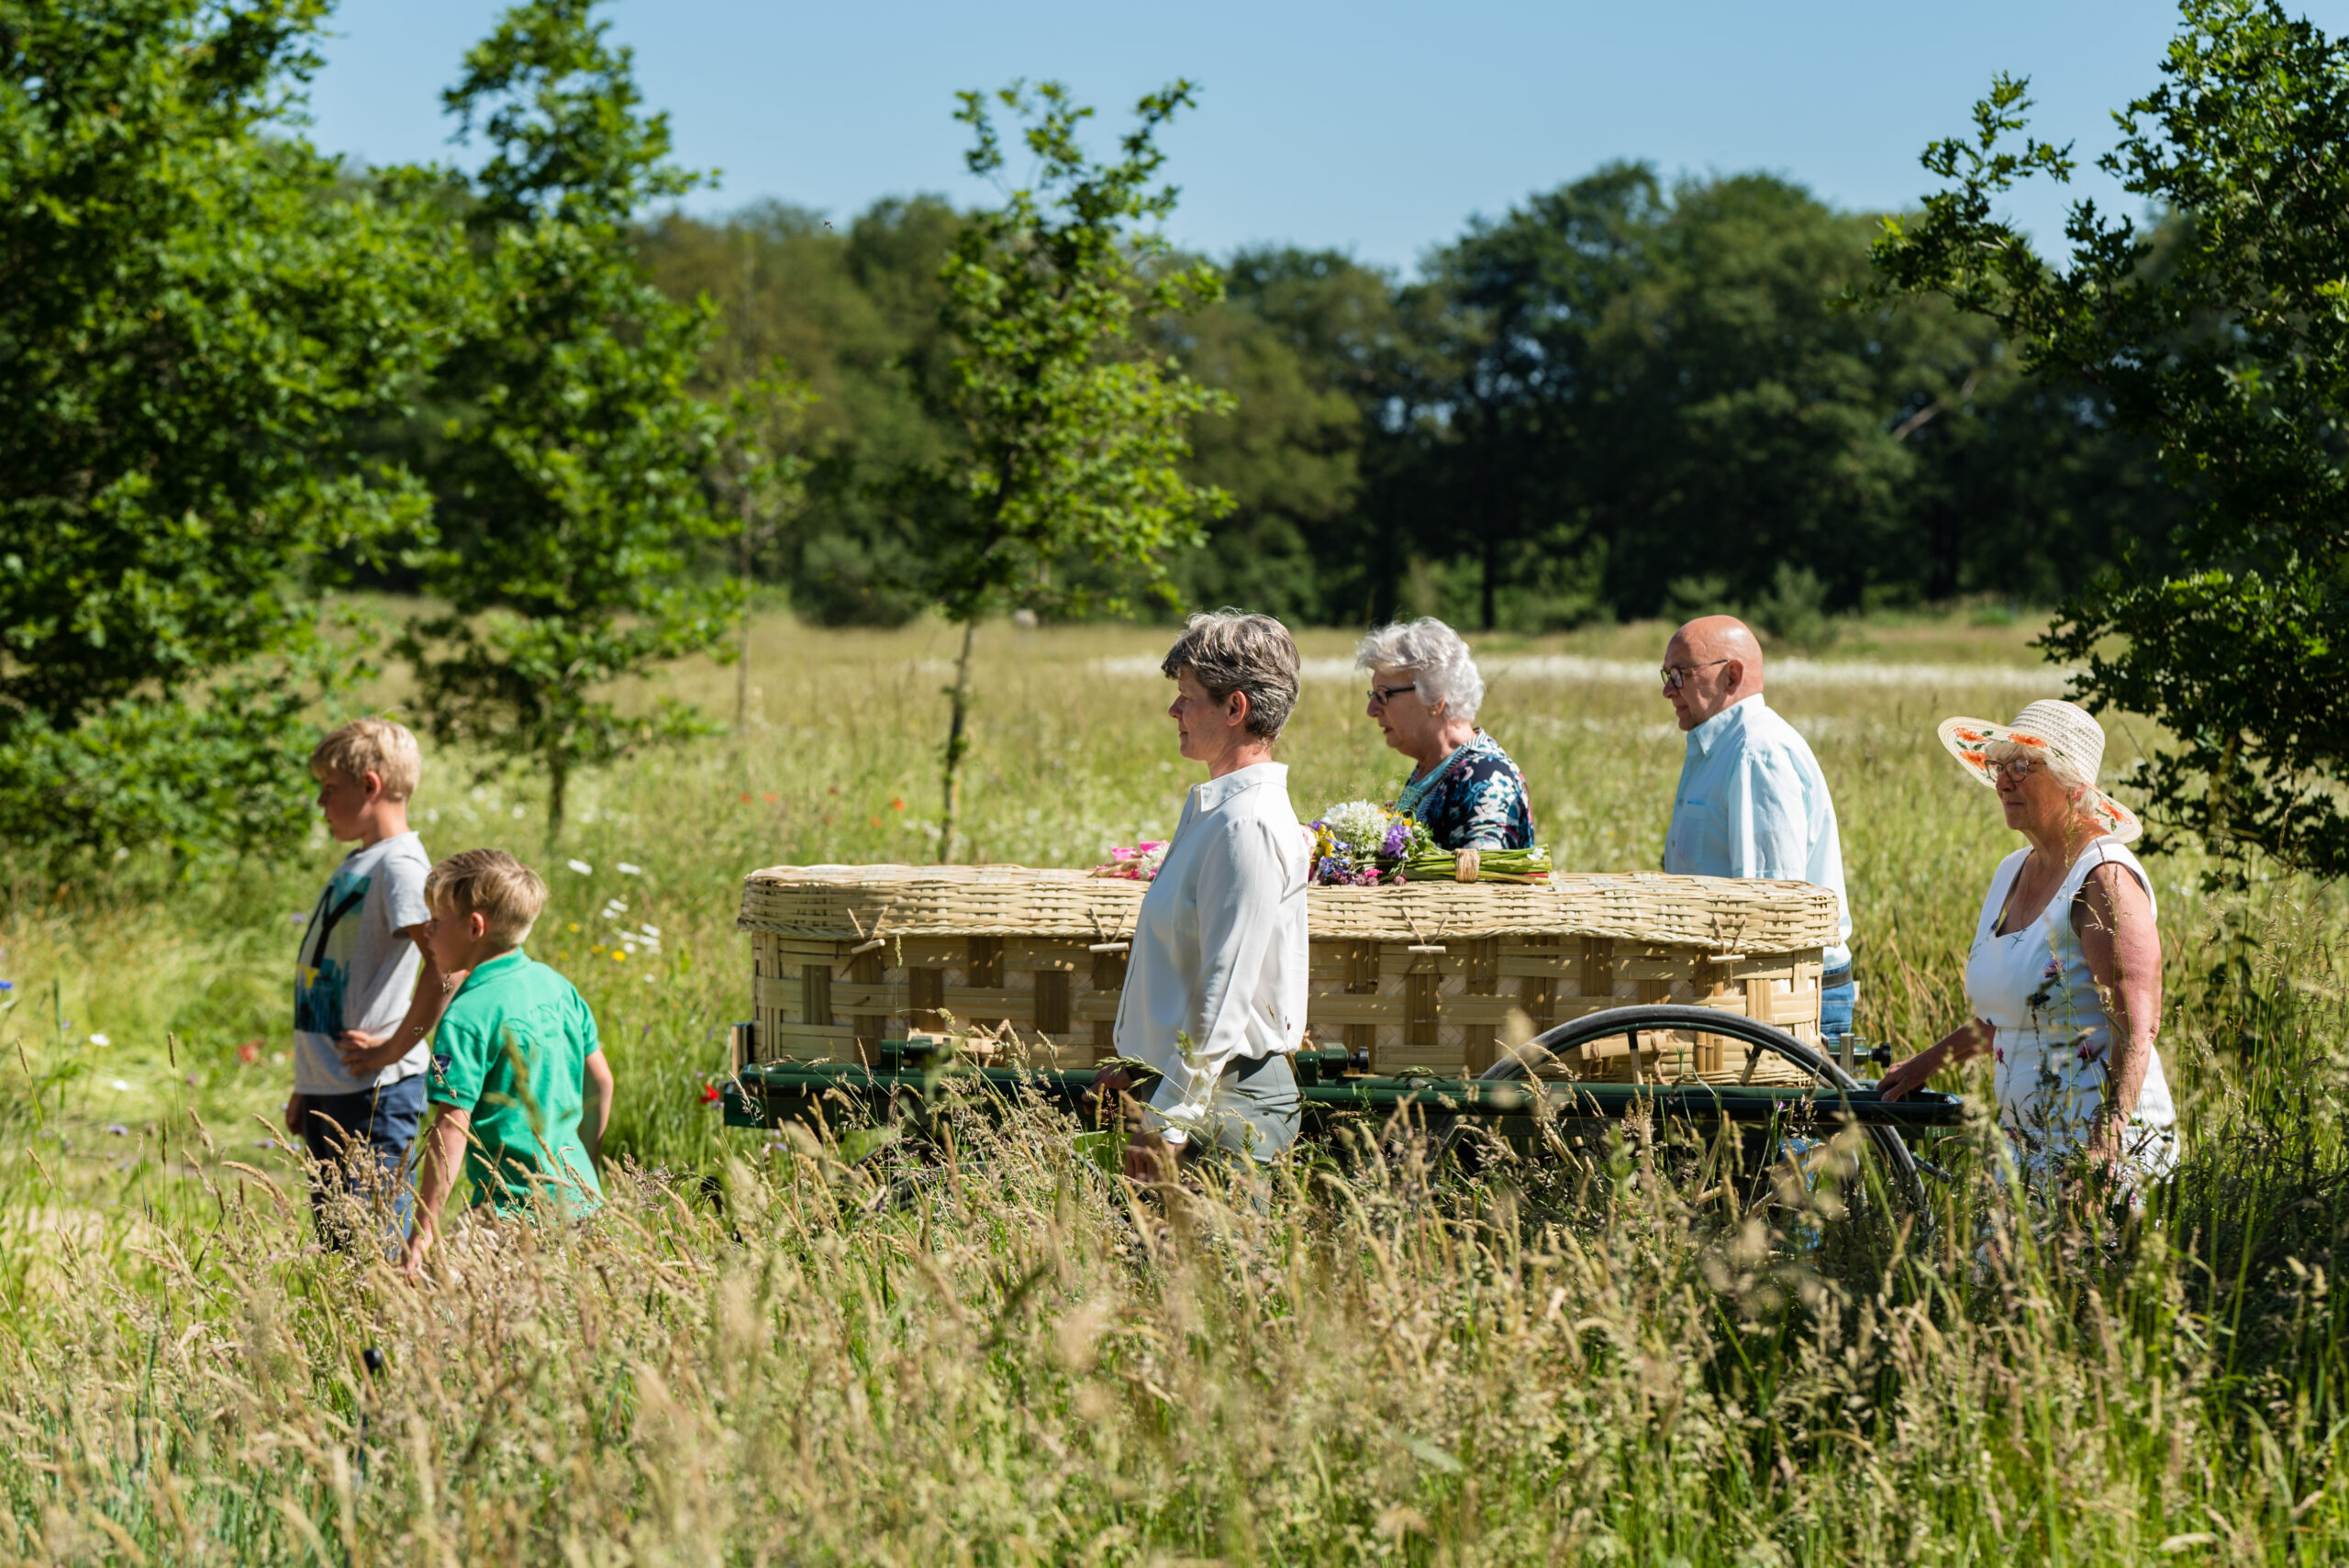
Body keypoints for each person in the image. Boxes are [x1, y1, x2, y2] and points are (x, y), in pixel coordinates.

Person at [1878, 701, 2176, 1185]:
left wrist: (2105, 1149)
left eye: (2021, 766)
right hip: (2024, 1145)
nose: (2002, 782)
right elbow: (2018, 1015)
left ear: (2073, 784)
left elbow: (2137, 1026)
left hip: (2098, 1151)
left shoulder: (2104, 876)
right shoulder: (2011, 871)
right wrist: (1925, 1064)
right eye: (1998, 766)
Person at [1105, 610, 1311, 1179]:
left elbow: (1225, 987)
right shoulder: (1221, 811)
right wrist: (1139, 1067)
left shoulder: (1247, 824)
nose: (1174, 710)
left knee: (1210, 1269)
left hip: (1226, 1102)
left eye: (1188, 696)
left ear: (1235, 708)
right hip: (1200, 1090)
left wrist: (1170, 1119)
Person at [404, 850, 613, 1280]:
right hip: (581, 1202)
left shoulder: (466, 1015)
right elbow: (601, 1082)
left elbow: (450, 1129)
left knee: (424, 1311)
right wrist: (582, 1168)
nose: (426, 932)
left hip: (511, 1213)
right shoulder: (557, 987)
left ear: (474, 927)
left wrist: (421, 1236)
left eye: (436, 921)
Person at [289, 717, 454, 1251]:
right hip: (334, 1086)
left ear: (370, 785)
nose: (320, 802)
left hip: (373, 1095)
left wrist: (396, 1046)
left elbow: (444, 966)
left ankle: (395, 1338)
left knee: (373, 1255)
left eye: (329, 789)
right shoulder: (363, 860)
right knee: (344, 1249)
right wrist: (308, 1082)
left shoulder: (400, 866)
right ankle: (360, 1339)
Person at [1659, 616, 1855, 1038]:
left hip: (1783, 995)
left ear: (1732, 675)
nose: (1667, 689)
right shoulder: (1721, 747)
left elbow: (1769, 910)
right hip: (1753, 988)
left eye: (1680, 674)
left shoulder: (1755, 752)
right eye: (1666, 675)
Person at [1355, 617, 1535, 851]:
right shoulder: (1435, 766)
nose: (1372, 710)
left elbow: (1481, 883)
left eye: (1384, 694)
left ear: (1434, 698)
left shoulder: (1484, 780)